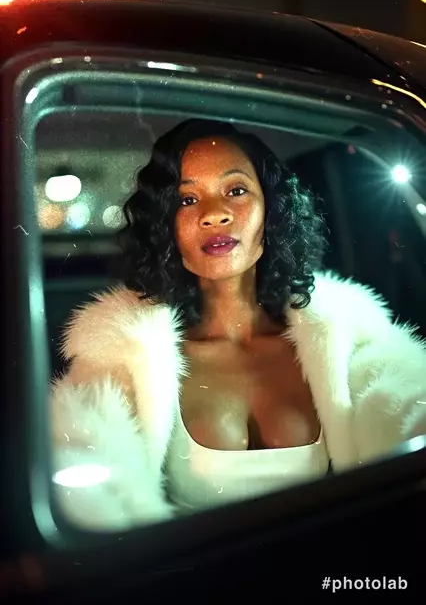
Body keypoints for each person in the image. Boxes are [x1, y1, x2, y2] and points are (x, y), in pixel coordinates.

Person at [51, 119, 426, 531]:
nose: (214, 214)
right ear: (165, 225)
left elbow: (404, 405)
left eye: (235, 191)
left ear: (271, 208)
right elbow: (85, 460)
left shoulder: (347, 341)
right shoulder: (124, 362)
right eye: (187, 199)